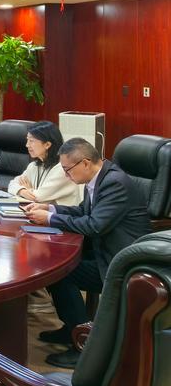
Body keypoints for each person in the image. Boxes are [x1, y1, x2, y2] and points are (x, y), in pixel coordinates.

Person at [23, 137, 150, 368]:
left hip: (120, 263)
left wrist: (49, 219)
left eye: (67, 170)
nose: (66, 175)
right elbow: (83, 211)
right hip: (103, 250)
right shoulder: (99, 177)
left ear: (84, 163)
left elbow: (95, 225)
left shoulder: (114, 183)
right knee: (52, 262)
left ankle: (84, 344)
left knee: (61, 272)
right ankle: (72, 329)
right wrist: (50, 208)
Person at [7, 121, 82, 206]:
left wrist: (29, 191)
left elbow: (38, 197)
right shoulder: (34, 166)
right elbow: (12, 184)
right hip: (40, 211)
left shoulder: (63, 169)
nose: (27, 145)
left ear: (47, 145)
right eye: (27, 140)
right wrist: (22, 191)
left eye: (31, 141)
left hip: (61, 214)